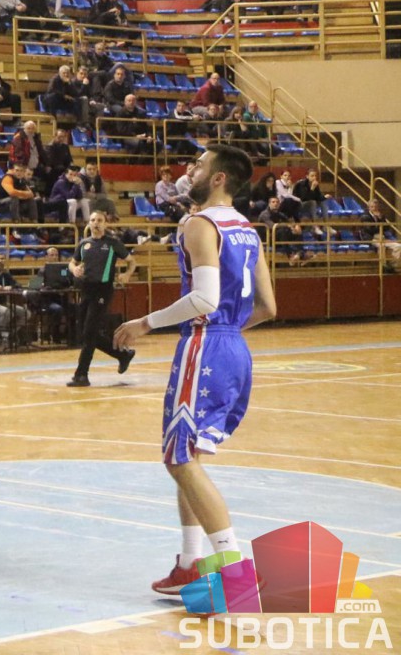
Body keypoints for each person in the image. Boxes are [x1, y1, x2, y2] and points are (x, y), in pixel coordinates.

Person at [114, 144, 275, 595]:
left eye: (199, 165)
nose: (190, 171)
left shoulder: (200, 224)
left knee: (180, 458)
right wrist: (226, 332)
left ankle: (235, 571)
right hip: (234, 345)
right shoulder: (247, 229)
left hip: (205, 346)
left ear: (219, 178)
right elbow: (268, 306)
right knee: (187, 457)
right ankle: (189, 563)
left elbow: (204, 299)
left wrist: (146, 323)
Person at [66, 211, 137, 387]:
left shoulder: (112, 243)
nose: (96, 223)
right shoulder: (84, 243)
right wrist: (74, 269)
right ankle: (122, 354)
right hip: (86, 290)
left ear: (105, 224)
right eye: (93, 220)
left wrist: (127, 274)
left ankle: (81, 375)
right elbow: (72, 262)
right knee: (85, 333)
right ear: (89, 223)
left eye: (99, 220)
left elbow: (132, 261)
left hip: (103, 291)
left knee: (89, 332)